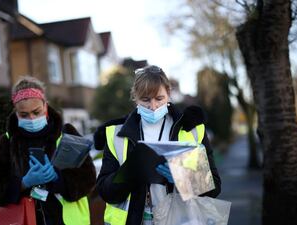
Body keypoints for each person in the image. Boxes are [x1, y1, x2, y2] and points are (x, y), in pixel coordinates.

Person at [94, 65, 221, 225]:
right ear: (135, 98)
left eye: (159, 99)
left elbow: (214, 187)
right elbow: (105, 192)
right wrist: (129, 174)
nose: (153, 106)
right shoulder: (116, 134)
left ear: (168, 94)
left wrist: (182, 176)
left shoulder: (192, 130)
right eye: (145, 100)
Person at [0, 76, 96, 225]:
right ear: (16, 112)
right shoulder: (6, 141)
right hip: (22, 220)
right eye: (24, 115)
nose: (31, 118)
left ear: (45, 105)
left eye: (36, 112)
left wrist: (57, 178)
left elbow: (88, 179)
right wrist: (23, 183)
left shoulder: (67, 134)